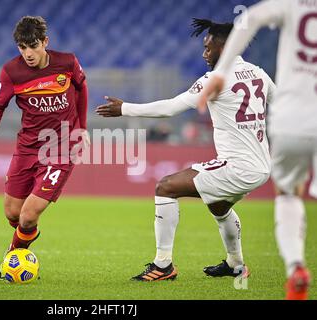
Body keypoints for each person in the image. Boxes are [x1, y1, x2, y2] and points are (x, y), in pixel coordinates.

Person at [96, 18, 276, 282]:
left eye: (209, 48)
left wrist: (124, 108)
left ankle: (163, 266)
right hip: (261, 165)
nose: (204, 54)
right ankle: (236, 264)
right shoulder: (259, 73)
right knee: (218, 205)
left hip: (238, 166)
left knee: (165, 187)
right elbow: (279, 102)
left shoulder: (215, 79)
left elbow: (171, 107)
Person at [198, 0, 315, 300]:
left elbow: (249, 19)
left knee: (289, 193)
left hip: (293, 116)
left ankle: (296, 267)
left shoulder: (294, 5)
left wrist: (222, 72)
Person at [0, 16, 89, 279]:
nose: (28, 53)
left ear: (45, 42)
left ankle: (10, 260)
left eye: (33, 46)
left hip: (61, 148)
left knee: (28, 215)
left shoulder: (67, 62)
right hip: (27, 147)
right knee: (13, 213)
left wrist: (82, 127)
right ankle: (22, 243)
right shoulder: (11, 72)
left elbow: (81, 88)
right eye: (22, 47)